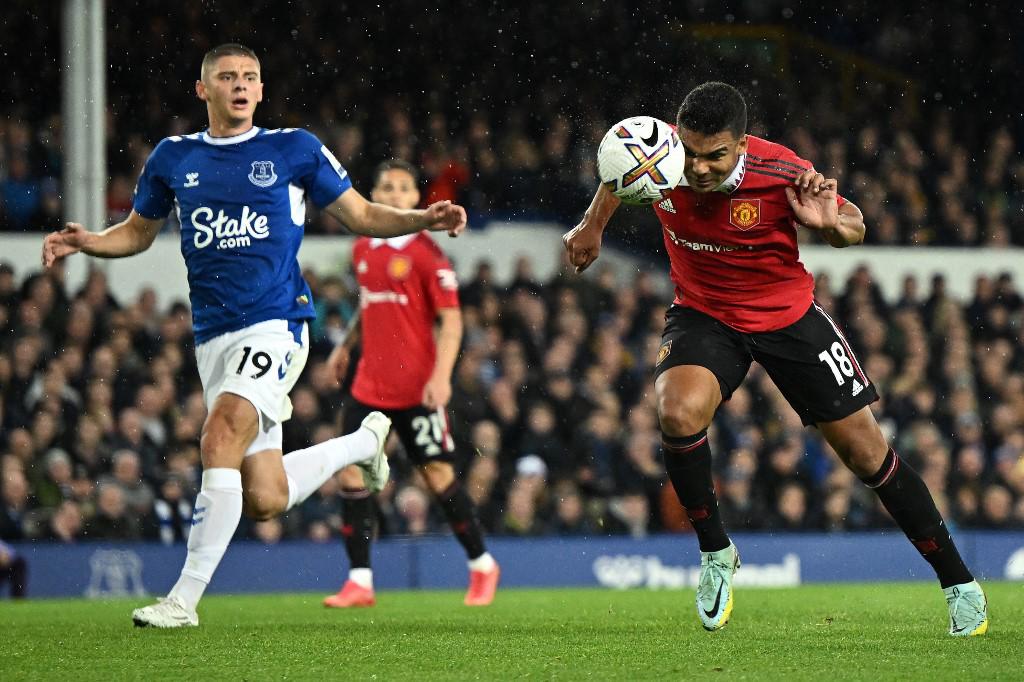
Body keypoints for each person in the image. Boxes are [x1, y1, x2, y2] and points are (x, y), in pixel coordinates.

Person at [41, 44, 466, 628]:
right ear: (203, 89)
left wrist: (422, 219)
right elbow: (139, 232)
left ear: (261, 90)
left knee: (221, 433)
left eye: (249, 78)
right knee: (265, 497)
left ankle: (182, 600)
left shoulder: (292, 148)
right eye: (227, 77)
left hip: (278, 324)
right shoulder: (172, 158)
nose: (239, 85)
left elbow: (363, 215)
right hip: (212, 338)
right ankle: (364, 445)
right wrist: (87, 240)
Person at [562, 82, 987, 637]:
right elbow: (620, 172)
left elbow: (854, 224)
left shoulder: (783, 172)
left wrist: (832, 225)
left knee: (868, 455)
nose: (699, 167)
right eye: (690, 152)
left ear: (741, 144)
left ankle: (959, 583)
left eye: (715, 155)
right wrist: (594, 223)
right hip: (705, 314)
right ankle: (716, 551)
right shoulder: (662, 153)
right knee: (676, 413)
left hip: (788, 318)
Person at [323, 160, 499, 608]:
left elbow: (453, 322)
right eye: (387, 186)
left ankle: (482, 565)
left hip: (417, 389)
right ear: (375, 194)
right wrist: (346, 346)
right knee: (352, 474)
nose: (395, 194)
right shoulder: (363, 248)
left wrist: (441, 378)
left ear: (415, 199)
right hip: (369, 387)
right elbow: (371, 305)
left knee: (437, 476)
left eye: (403, 188)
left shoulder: (427, 254)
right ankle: (360, 580)